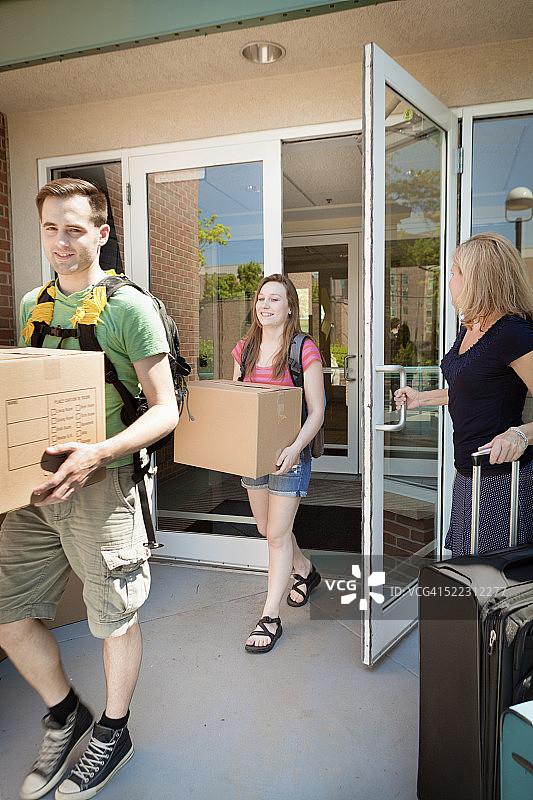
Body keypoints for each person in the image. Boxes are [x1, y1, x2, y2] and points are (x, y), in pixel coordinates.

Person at [0, 179, 179, 800]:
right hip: (38, 489)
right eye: (50, 228)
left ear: (102, 234)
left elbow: (165, 410)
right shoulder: (33, 305)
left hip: (103, 485)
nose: (60, 242)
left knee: (112, 617)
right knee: (8, 611)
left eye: (74, 229)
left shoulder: (130, 308)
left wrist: (98, 452)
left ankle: (114, 729)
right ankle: (64, 712)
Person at [395, 232, 533, 556]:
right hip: (467, 474)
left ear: (478, 279)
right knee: (468, 575)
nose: (449, 282)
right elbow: (471, 388)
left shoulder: (513, 333)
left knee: (491, 586)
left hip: (502, 480)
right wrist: (422, 398)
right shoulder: (470, 326)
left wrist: (521, 435)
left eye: (455, 272)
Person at [232, 274, 325, 653]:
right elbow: (236, 401)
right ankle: (304, 569)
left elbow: (317, 411)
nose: (265, 305)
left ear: (290, 308)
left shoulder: (303, 349)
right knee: (267, 528)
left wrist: (294, 448)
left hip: (290, 455)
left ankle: (270, 617)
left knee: (275, 535)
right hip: (254, 456)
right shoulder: (244, 349)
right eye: (261, 299)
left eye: (275, 299)